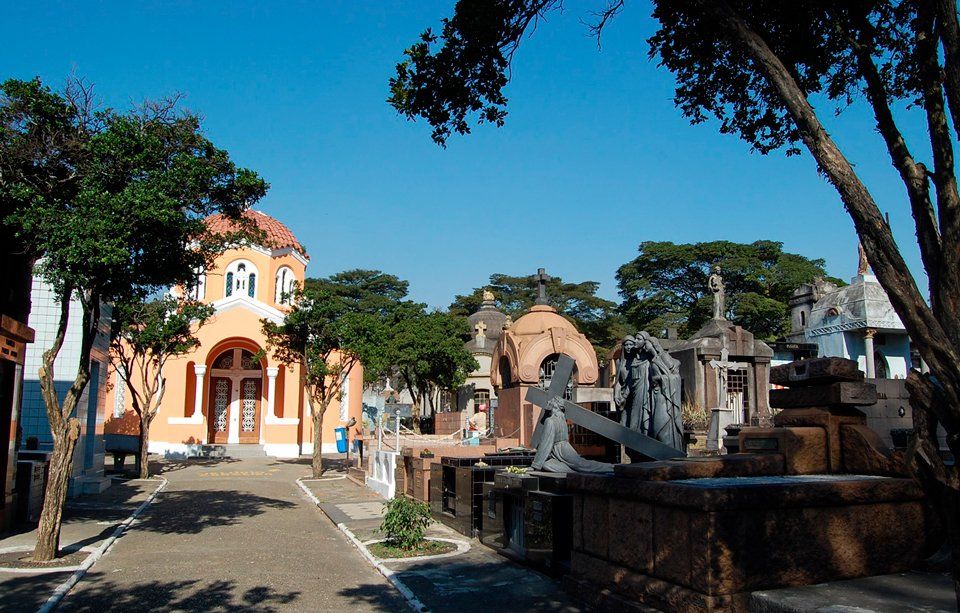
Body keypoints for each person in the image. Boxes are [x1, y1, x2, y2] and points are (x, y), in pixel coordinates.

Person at [531, 396, 614, 474]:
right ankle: (575, 472)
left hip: (562, 450)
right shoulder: (562, 419)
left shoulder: (550, 421)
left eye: (551, 401)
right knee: (547, 465)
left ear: (555, 405)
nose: (549, 402)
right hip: (564, 448)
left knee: (582, 464)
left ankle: (611, 468)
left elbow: (546, 443)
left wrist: (536, 465)